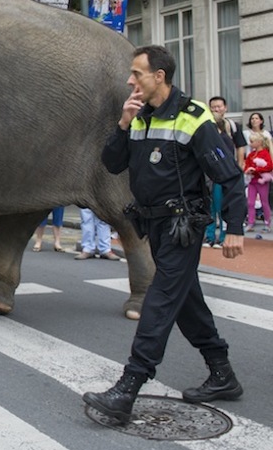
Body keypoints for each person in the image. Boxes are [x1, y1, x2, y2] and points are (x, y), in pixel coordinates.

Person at [83, 45, 245, 425]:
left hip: (182, 227)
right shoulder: (140, 117)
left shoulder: (193, 118)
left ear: (159, 76)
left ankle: (128, 387)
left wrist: (235, 228)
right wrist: (123, 124)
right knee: (187, 302)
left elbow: (230, 177)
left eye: (136, 73)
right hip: (152, 224)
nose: (129, 80)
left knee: (158, 301)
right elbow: (112, 163)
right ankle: (223, 374)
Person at [204, 117, 237, 248]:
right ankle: (210, 236)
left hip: (220, 177)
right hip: (210, 177)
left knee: (220, 207)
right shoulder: (208, 141)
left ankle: (223, 236)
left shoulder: (224, 140)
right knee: (211, 207)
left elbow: (226, 160)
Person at [244, 132, 273, 233]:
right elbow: (246, 165)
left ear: (259, 142)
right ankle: (251, 222)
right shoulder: (251, 154)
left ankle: (267, 223)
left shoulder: (265, 153)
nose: (250, 143)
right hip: (253, 181)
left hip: (262, 181)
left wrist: (256, 170)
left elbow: (269, 166)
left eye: (252, 142)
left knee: (264, 202)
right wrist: (247, 170)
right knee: (250, 202)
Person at [209, 96, 248, 169]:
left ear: (225, 108)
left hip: (230, 166)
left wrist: (239, 166)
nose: (216, 109)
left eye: (219, 106)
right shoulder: (206, 126)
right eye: (213, 107)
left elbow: (240, 146)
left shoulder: (233, 126)